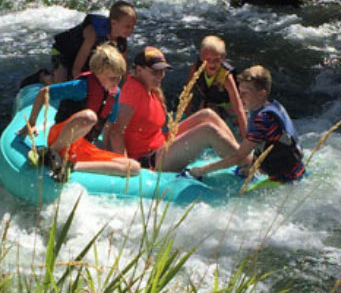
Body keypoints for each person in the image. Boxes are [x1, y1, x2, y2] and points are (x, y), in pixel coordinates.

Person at [108, 46, 240, 173]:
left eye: (162, 71)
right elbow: (116, 131)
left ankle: (241, 154)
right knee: (208, 130)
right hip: (149, 160)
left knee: (207, 114)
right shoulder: (134, 90)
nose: (160, 76)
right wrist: (125, 165)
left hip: (160, 145)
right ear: (138, 70)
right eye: (154, 72)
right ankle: (246, 163)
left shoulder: (151, 89)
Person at [19, 43, 140, 181]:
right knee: (90, 117)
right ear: (98, 72)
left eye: (119, 77)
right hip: (61, 137)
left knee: (134, 167)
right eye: (112, 78)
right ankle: (51, 153)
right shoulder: (81, 86)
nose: (117, 82)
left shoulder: (114, 93)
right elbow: (44, 92)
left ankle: (72, 166)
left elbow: (109, 126)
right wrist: (32, 122)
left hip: (81, 146)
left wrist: (105, 151)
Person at [187, 65, 305, 184]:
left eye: (245, 93)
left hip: (285, 180)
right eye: (240, 92)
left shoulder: (262, 119)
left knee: (239, 198)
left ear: (261, 94)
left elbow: (239, 156)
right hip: (297, 171)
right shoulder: (273, 107)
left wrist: (201, 170)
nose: (240, 97)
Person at [185, 35, 248, 139]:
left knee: (237, 127)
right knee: (204, 124)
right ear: (201, 57)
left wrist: (246, 139)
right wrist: (187, 114)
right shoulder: (196, 69)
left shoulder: (226, 77)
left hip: (229, 105)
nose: (212, 63)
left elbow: (238, 107)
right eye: (208, 59)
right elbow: (187, 92)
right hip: (212, 102)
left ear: (223, 58)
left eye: (216, 60)